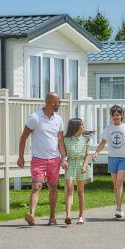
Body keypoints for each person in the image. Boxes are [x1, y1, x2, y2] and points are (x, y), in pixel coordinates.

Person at [17, 92, 68, 226]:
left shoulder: (58, 119)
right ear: (52, 102)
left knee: (53, 188)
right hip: (38, 159)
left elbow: (60, 140)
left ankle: (52, 217)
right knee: (36, 186)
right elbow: (23, 138)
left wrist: (64, 157)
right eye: (58, 102)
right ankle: (32, 215)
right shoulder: (35, 117)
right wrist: (21, 156)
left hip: (54, 159)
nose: (59, 104)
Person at [92, 105, 125, 219]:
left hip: (123, 158)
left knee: (119, 183)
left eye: (118, 115)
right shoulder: (108, 128)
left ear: (122, 115)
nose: (116, 117)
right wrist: (97, 152)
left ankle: (119, 208)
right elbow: (102, 142)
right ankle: (118, 205)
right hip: (112, 158)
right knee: (115, 184)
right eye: (114, 115)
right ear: (111, 116)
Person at [63, 118, 91, 225]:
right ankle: (68, 215)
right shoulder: (66, 139)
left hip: (81, 165)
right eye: (82, 125)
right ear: (76, 127)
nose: (84, 127)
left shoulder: (85, 139)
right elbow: (64, 154)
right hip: (70, 165)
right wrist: (64, 160)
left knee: (80, 191)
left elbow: (87, 155)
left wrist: (84, 166)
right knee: (70, 189)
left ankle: (81, 216)